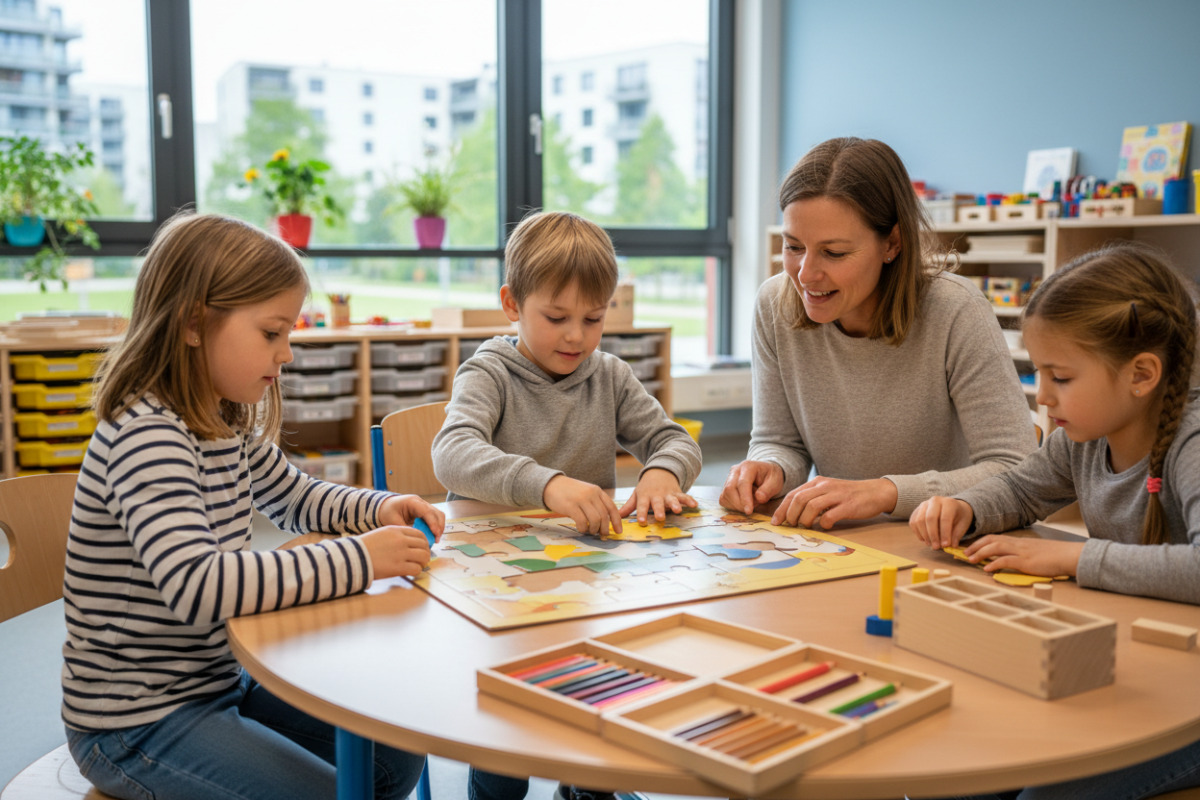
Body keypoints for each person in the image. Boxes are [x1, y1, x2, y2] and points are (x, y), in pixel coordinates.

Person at [61, 212, 446, 800]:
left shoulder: (222, 417)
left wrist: (377, 509)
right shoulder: (147, 433)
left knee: (394, 752)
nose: (286, 353)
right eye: (272, 334)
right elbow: (199, 586)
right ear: (194, 324)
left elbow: (294, 497)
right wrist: (361, 559)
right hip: (136, 721)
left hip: (218, 682)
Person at [910, 243, 1200, 796]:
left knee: (1048, 790)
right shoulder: (1082, 440)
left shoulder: (1192, 443)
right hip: (1145, 671)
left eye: (1060, 377)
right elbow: (1020, 488)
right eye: (1037, 373)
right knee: (958, 770)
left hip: (1189, 713)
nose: (1041, 397)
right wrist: (967, 507)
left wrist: (1074, 556)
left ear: (1141, 374)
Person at [432, 209, 702, 800]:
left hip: (584, 581)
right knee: (506, 738)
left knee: (603, 693)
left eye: (593, 318)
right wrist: (548, 485)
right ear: (512, 304)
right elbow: (451, 454)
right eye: (556, 318)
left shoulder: (608, 374)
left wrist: (660, 472)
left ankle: (587, 787)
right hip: (494, 586)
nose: (576, 337)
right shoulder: (489, 373)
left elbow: (674, 439)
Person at [721, 136, 1037, 528]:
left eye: (834, 253)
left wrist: (885, 492)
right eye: (793, 246)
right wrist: (769, 467)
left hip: (946, 540)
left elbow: (1017, 470)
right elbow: (780, 441)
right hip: (849, 538)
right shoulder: (774, 303)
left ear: (892, 243)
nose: (805, 275)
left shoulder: (956, 310)